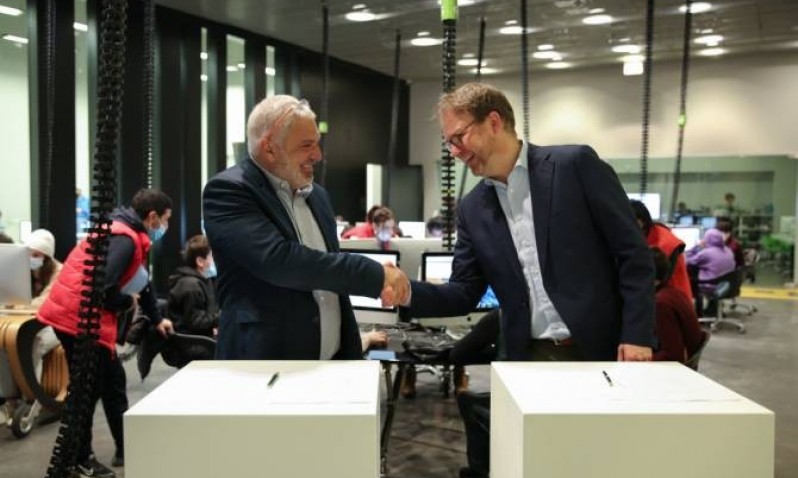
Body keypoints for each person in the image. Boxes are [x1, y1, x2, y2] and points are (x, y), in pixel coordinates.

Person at [387, 83, 655, 477]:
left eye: (459, 138)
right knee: (535, 464)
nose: (455, 152)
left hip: (599, 349)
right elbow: (464, 291)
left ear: (494, 122)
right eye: (449, 144)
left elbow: (633, 255)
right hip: (527, 359)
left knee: (599, 463)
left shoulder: (574, 166)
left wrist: (637, 335)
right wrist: (407, 291)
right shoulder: (473, 208)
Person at [202, 95, 409, 361]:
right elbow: (280, 262)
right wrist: (374, 274)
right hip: (265, 367)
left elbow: (327, 268)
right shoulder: (229, 191)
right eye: (306, 145)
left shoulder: (317, 195)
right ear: (269, 148)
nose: (318, 155)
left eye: (317, 143)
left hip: (333, 363)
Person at [36, 188, 175, 477]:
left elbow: (141, 281)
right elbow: (102, 288)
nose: (166, 226)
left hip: (79, 317)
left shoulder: (128, 234)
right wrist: (126, 303)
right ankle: (79, 458)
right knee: (88, 389)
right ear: (152, 217)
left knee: (111, 381)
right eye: (166, 219)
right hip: (78, 320)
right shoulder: (124, 239)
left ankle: (124, 448)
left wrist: (156, 318)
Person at [0, 229, 62, 426]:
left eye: (36, 255)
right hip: (25, 323)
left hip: (56, 325)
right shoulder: (19, 270)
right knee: (3, 343)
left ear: (47, 256)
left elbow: (45, 302)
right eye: (29, 253)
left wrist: (17, 306)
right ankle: (10, 398)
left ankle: (32, 397)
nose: (31, 258)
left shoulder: (59, 273)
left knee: (34, 343)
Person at [162, 235, 219, 368]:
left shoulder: (198, 281)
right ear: (200, 261)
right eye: (211, 256)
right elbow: (196, 322)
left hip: (195, 339)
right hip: (191, 345)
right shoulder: (191, 285)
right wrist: (221, 318)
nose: (214, 261)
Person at [630, 199, 693, 302]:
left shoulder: (664, 241)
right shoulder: (642, 235)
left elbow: (658, 278)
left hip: (671, 296)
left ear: (642, 220)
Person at [650, 248, 703, 363]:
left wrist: (636, 359)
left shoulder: (661, 304)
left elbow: (673, 356)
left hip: (673, 369)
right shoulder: (673, 293)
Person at [686, 228, 736, 316]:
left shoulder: (706, 253)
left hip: (711, 286)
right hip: (727, 285)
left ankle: (698, 313)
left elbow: (687, 261)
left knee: (691, 281)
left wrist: (697, 247)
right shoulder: (728, 250)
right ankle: (712, 309)